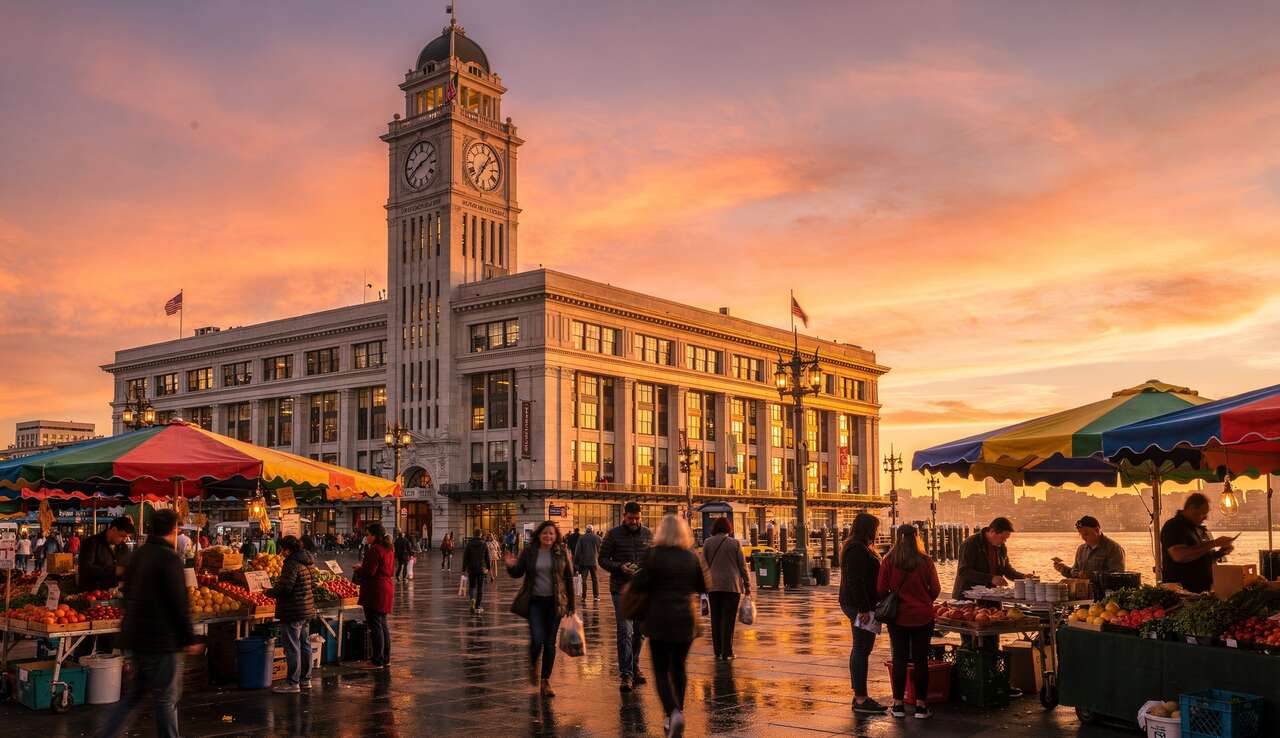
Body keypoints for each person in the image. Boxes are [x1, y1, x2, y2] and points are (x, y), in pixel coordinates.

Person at [96, 509, 200, 738]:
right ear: (173, 530)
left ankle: (106, 734)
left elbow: (127, 593)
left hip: (136, 638)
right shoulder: (169, 558)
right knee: (165, 698)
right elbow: (178, 602)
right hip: (162, 641)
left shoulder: (139, 554)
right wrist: (189, 637)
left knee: (134, 695)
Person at [628, 515, 708, 738]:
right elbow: (703, 586)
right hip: (686, 620)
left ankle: (671, 712)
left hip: (659, 619)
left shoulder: (653, 555)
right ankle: (678, 711)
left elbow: (638, 583)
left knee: (662, 671)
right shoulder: (692, 557)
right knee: (679, 667)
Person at [503, 521, 576, 697]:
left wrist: (572, 605)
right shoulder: (529, 552)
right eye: (545, 533)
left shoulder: (561, 553)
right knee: (537, 640)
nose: (548, 536)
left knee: (549, 643)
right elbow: (518, 573)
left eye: (551, 533)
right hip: (535, 602)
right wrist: (510, 565)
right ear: (539, 535)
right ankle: (533, 662)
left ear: (556, 535)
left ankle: (545, 681)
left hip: (555, 603)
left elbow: (568, 579)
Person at [877, 524, 941, 720]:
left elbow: (880, 589)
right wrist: (924, 600)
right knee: (921, 660)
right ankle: (921, 706)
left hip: (898, 617)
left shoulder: (889, 560)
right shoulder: (926, 560)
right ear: (917, 537)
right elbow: (936, 588)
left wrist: (895, 597)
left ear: (897, 538)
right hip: (923, 616)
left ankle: (898, 705)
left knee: (899, 659)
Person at [600, 501, 654, 692]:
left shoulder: (648, 534)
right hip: (620, 589)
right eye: (631, 518)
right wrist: (619, 567)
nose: (634, 521)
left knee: (639, 632)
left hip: (642, 590)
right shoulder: (613, 534)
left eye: (637, 518)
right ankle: (626, 675)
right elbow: (602, 559)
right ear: (624, 516)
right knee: (625, 631)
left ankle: (635, 666)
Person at [839, 512, 886, 715]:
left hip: (858, 603)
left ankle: (859, 694)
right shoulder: (857, 549)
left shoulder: (856, 546)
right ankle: (861, 698)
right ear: (868, 529)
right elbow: (855, 580)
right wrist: (864, 609)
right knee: (862, 648)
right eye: (876, 528)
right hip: (859, 605)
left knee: (861, 648)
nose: (878, 531)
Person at [267, 535, 316, 693]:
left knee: (292, 647)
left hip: (293, 610)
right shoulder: (307, 561)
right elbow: (312, 584)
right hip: (306, 609)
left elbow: (286, 587)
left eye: (283, 549)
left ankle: (292, 682)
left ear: (288, 549)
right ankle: (305, 680)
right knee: (305, 645)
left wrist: (269, 592)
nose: (281, 552)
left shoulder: (292, 563)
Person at [1162, 493, 1236, 593]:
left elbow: (1201, 556)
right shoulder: (1174, 526)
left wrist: (1220, 553)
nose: (1206, 518)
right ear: (1191, 508)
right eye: (1202, 513)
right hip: (1182, 592)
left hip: (1202, 591)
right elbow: (1179, 555)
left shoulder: (1199, 529)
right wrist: (1214, 543)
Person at [701, 517, 750, 661]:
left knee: (715, 619)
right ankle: (727, 652)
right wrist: (747, 585)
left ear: (714, 528)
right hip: (732, 586)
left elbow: (703, 565)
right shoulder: (735, 543)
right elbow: (743, 566)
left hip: (713, 586)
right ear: (729, 528)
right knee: (728, 620)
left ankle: (717, 651)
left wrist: (703, 585)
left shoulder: (707, 543)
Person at [952, 516, 1027, 599]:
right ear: (992, 531)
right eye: (1002, 538)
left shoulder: (1001, 547)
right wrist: (990, 578)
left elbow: (1007, 570)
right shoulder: (971, 544)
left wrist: (1024, 577)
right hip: (968, 597)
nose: (1004, 541)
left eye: (1006, 539)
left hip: (992, 596)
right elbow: (964, 571)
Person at [354, 523, 395, 669]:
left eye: (368, 534)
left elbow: (369, 571)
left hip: (375, 590)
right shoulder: (388, 548)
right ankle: (385, 658)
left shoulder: (375, 550)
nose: (366, 537)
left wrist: (359, 569)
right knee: (382, 625)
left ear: (374, 535)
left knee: (376, 625)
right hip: (386, 588)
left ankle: (377, 660)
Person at [1053, 515, 1126, 587]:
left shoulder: (1114, 548)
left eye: (1086, 534)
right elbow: (1075, 573)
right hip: (1084, 594)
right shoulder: (1081, 549)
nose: (1083, 538)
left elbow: (1117, 575)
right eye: (1081, 534)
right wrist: (1063, 569)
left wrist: (1092, 575)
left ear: (1097, 530)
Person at [79, 517, 136, 591]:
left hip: (117, 594)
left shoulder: (123, 547)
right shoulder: (91, 543)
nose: (125, 539)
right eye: (122, 536)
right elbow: (85, 569)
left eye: (127, 537)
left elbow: (127, 567)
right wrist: (114, 570)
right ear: (114, 529)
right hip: (94, 593)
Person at [462, 530, 490, 614]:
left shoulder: (469, 544)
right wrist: (488, 567)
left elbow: (465, 557)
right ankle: (478, 606)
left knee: (471, 586)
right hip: (481, 569)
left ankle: (472, 600)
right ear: (480, 534)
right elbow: (487, 557)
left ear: (473, 534)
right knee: (480, 588)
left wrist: (463, 569)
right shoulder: (484, 544)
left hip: (471, 569)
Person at [573, 524, 602, 602]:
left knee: (584, 579)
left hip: (583, 562)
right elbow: (601, 550)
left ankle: (584, 596)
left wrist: (576, 562)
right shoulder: (597, 537)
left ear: (586, 530)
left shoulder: (581, 538)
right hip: (593, 562)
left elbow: (577, 551)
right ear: (592, 530)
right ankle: (596, 596)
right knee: (595, 579)